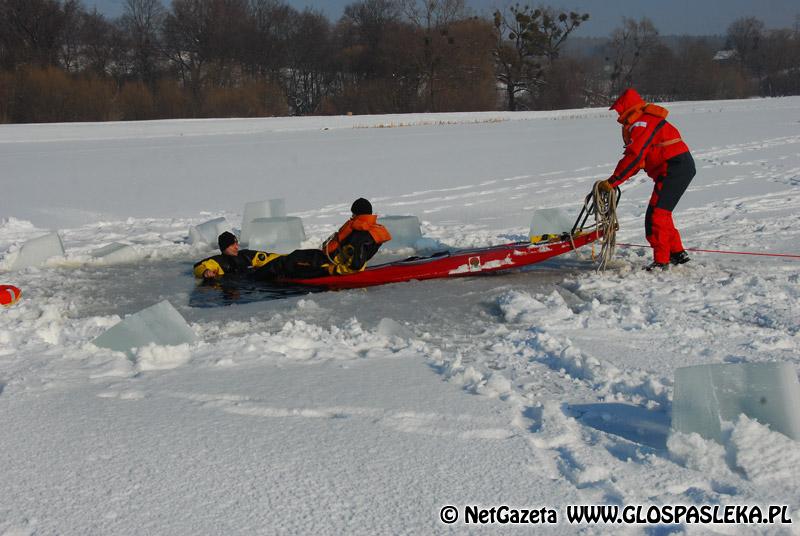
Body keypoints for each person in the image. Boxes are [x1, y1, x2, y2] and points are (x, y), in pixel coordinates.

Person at [597, 88, 695, 271]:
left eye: (619, 110)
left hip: (674, 168)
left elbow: (634, 157)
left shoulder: (641, 123)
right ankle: (677, 254)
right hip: (678, 167)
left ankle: (661, 262)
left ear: (627, 107)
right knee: (662, 213)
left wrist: (612, 182)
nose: (617, 114)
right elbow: (639, 161)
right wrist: (616, 180)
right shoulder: (643, 121)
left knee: (656, 216)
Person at [322, 198, 392, 274]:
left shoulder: (360, 235)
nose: (352, 216)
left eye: (353, 213)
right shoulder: (368, 231)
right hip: (334, 261)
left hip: (335, 266)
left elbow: (355, 265)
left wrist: (333, 270)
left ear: (359, 214)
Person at [193, 231, 282, 279]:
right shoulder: (218, 261)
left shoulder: (246, 255)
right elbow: (199, 267)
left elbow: (268, 257)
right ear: (225, 247)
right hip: (237, 286)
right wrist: (205, 272)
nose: (236, 247)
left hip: (255, 281)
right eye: (232, 245)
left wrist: (284, 257)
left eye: (236, 244)